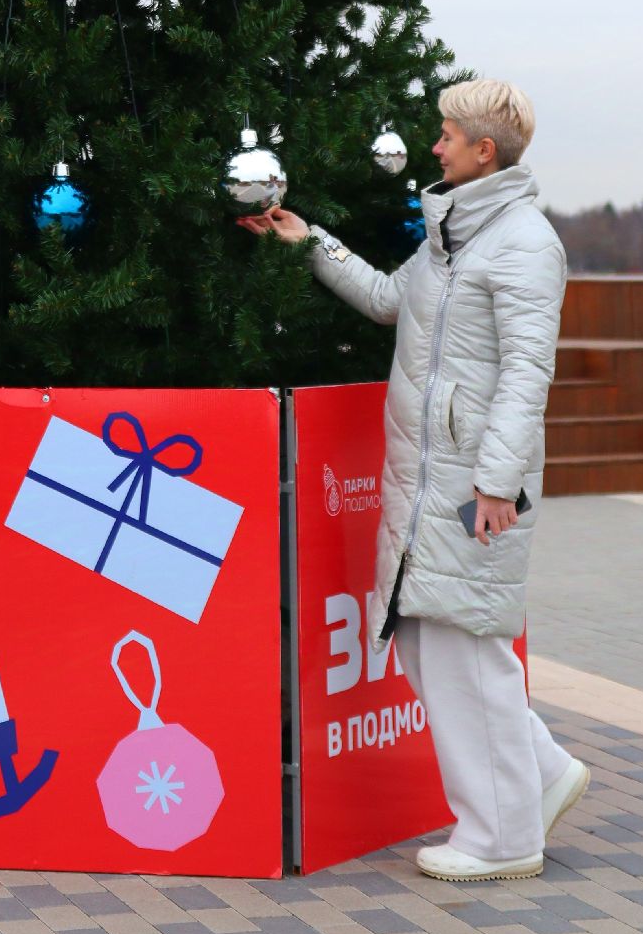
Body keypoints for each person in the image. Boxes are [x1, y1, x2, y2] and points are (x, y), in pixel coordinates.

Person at [237, 79, 589, 882]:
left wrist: (496, 485)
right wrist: (310, 241)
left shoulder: (523, 244)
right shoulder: (450, 238)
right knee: (432, 639)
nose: (434, 145)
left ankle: (500, 839)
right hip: (427, 476)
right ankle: (538, 774)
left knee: (467, 645)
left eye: (445, 134)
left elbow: (527, 373)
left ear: (482, 151)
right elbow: (389, 301)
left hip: (472, 487)